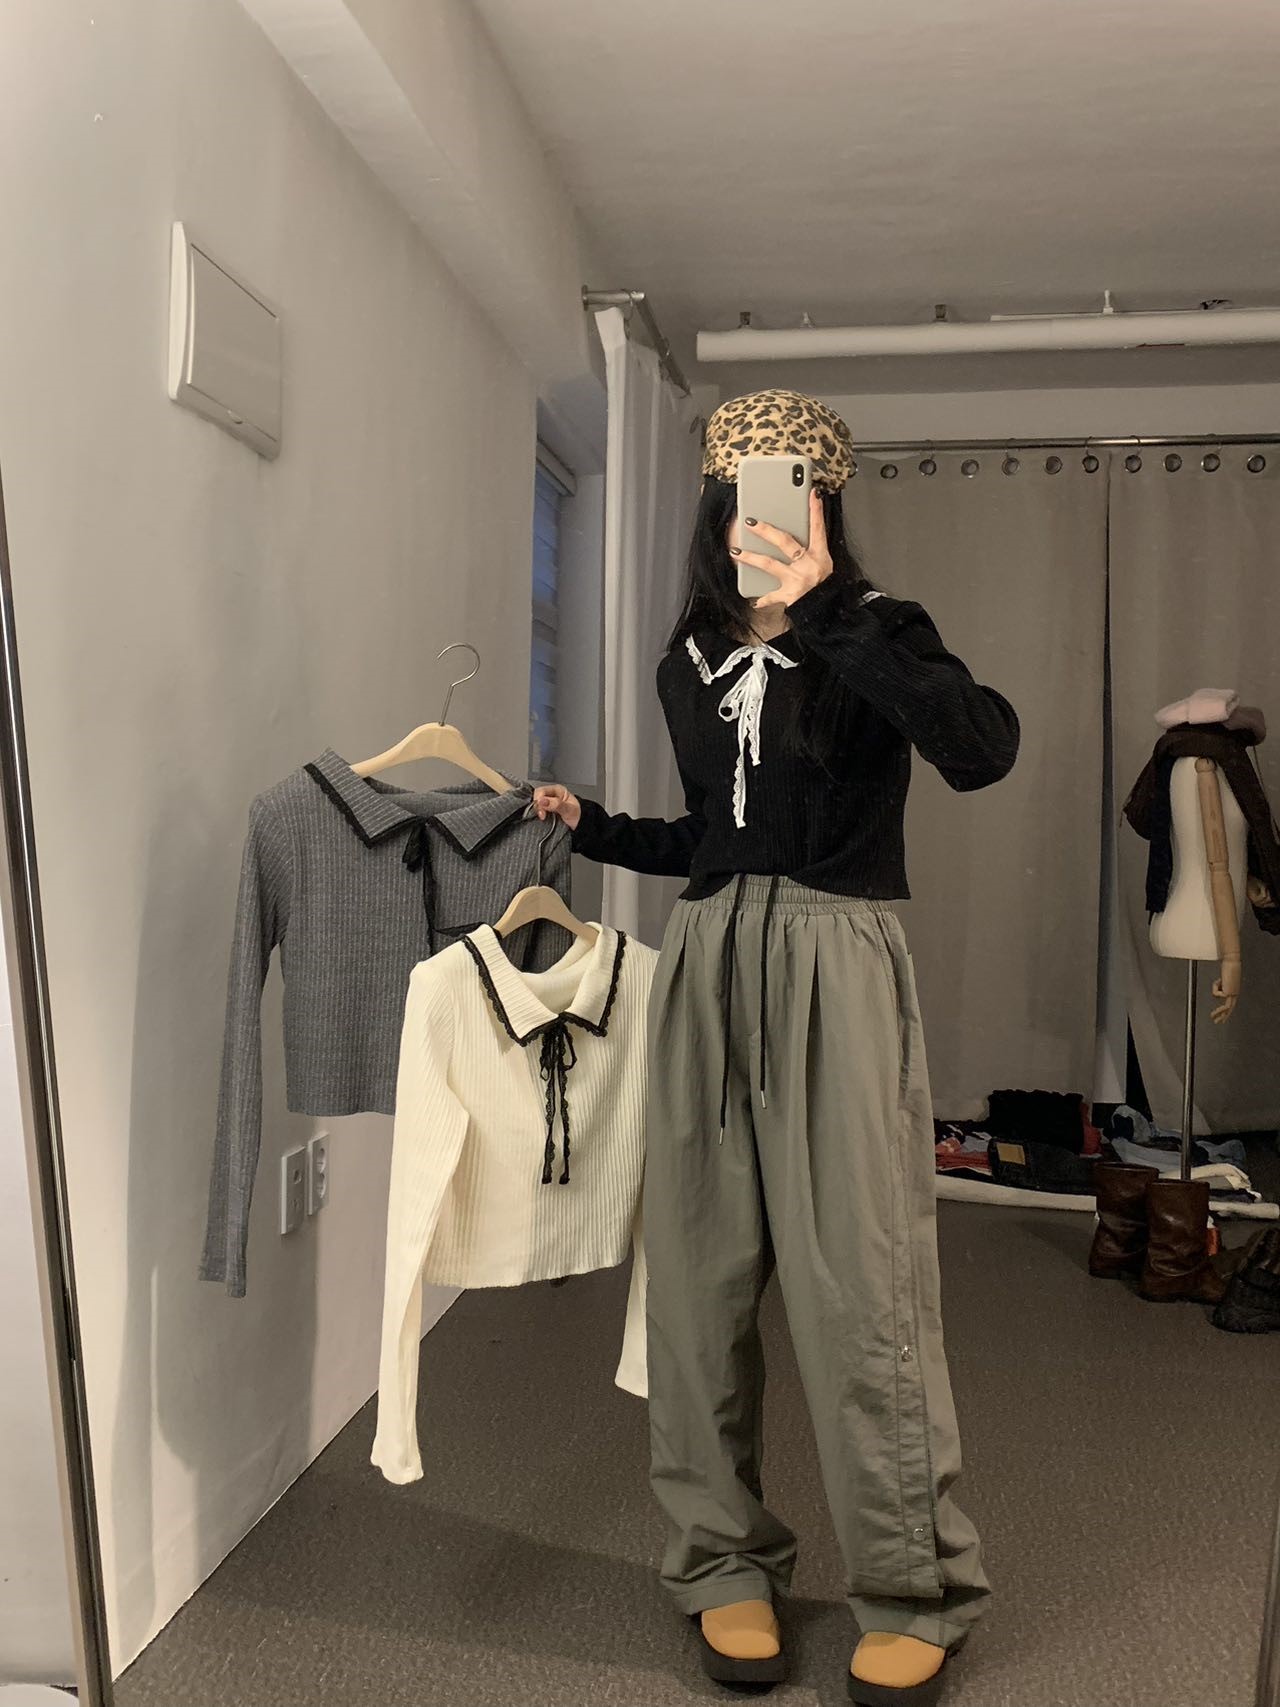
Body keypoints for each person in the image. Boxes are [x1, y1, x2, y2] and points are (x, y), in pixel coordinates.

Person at [533, 389, 1018, 1706]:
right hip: (706, 961)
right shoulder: (685, 659)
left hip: (834, 956)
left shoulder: (881, 628)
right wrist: (594, 827)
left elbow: (981, 749)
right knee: (696, 1290)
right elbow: (714, 835)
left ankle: (916, 1590)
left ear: (824, 499)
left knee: (863, 1291)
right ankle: (721, 1565)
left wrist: (827, 615)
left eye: (796, 479)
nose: (771, 501)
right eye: (750, 478)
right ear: (717, 498)